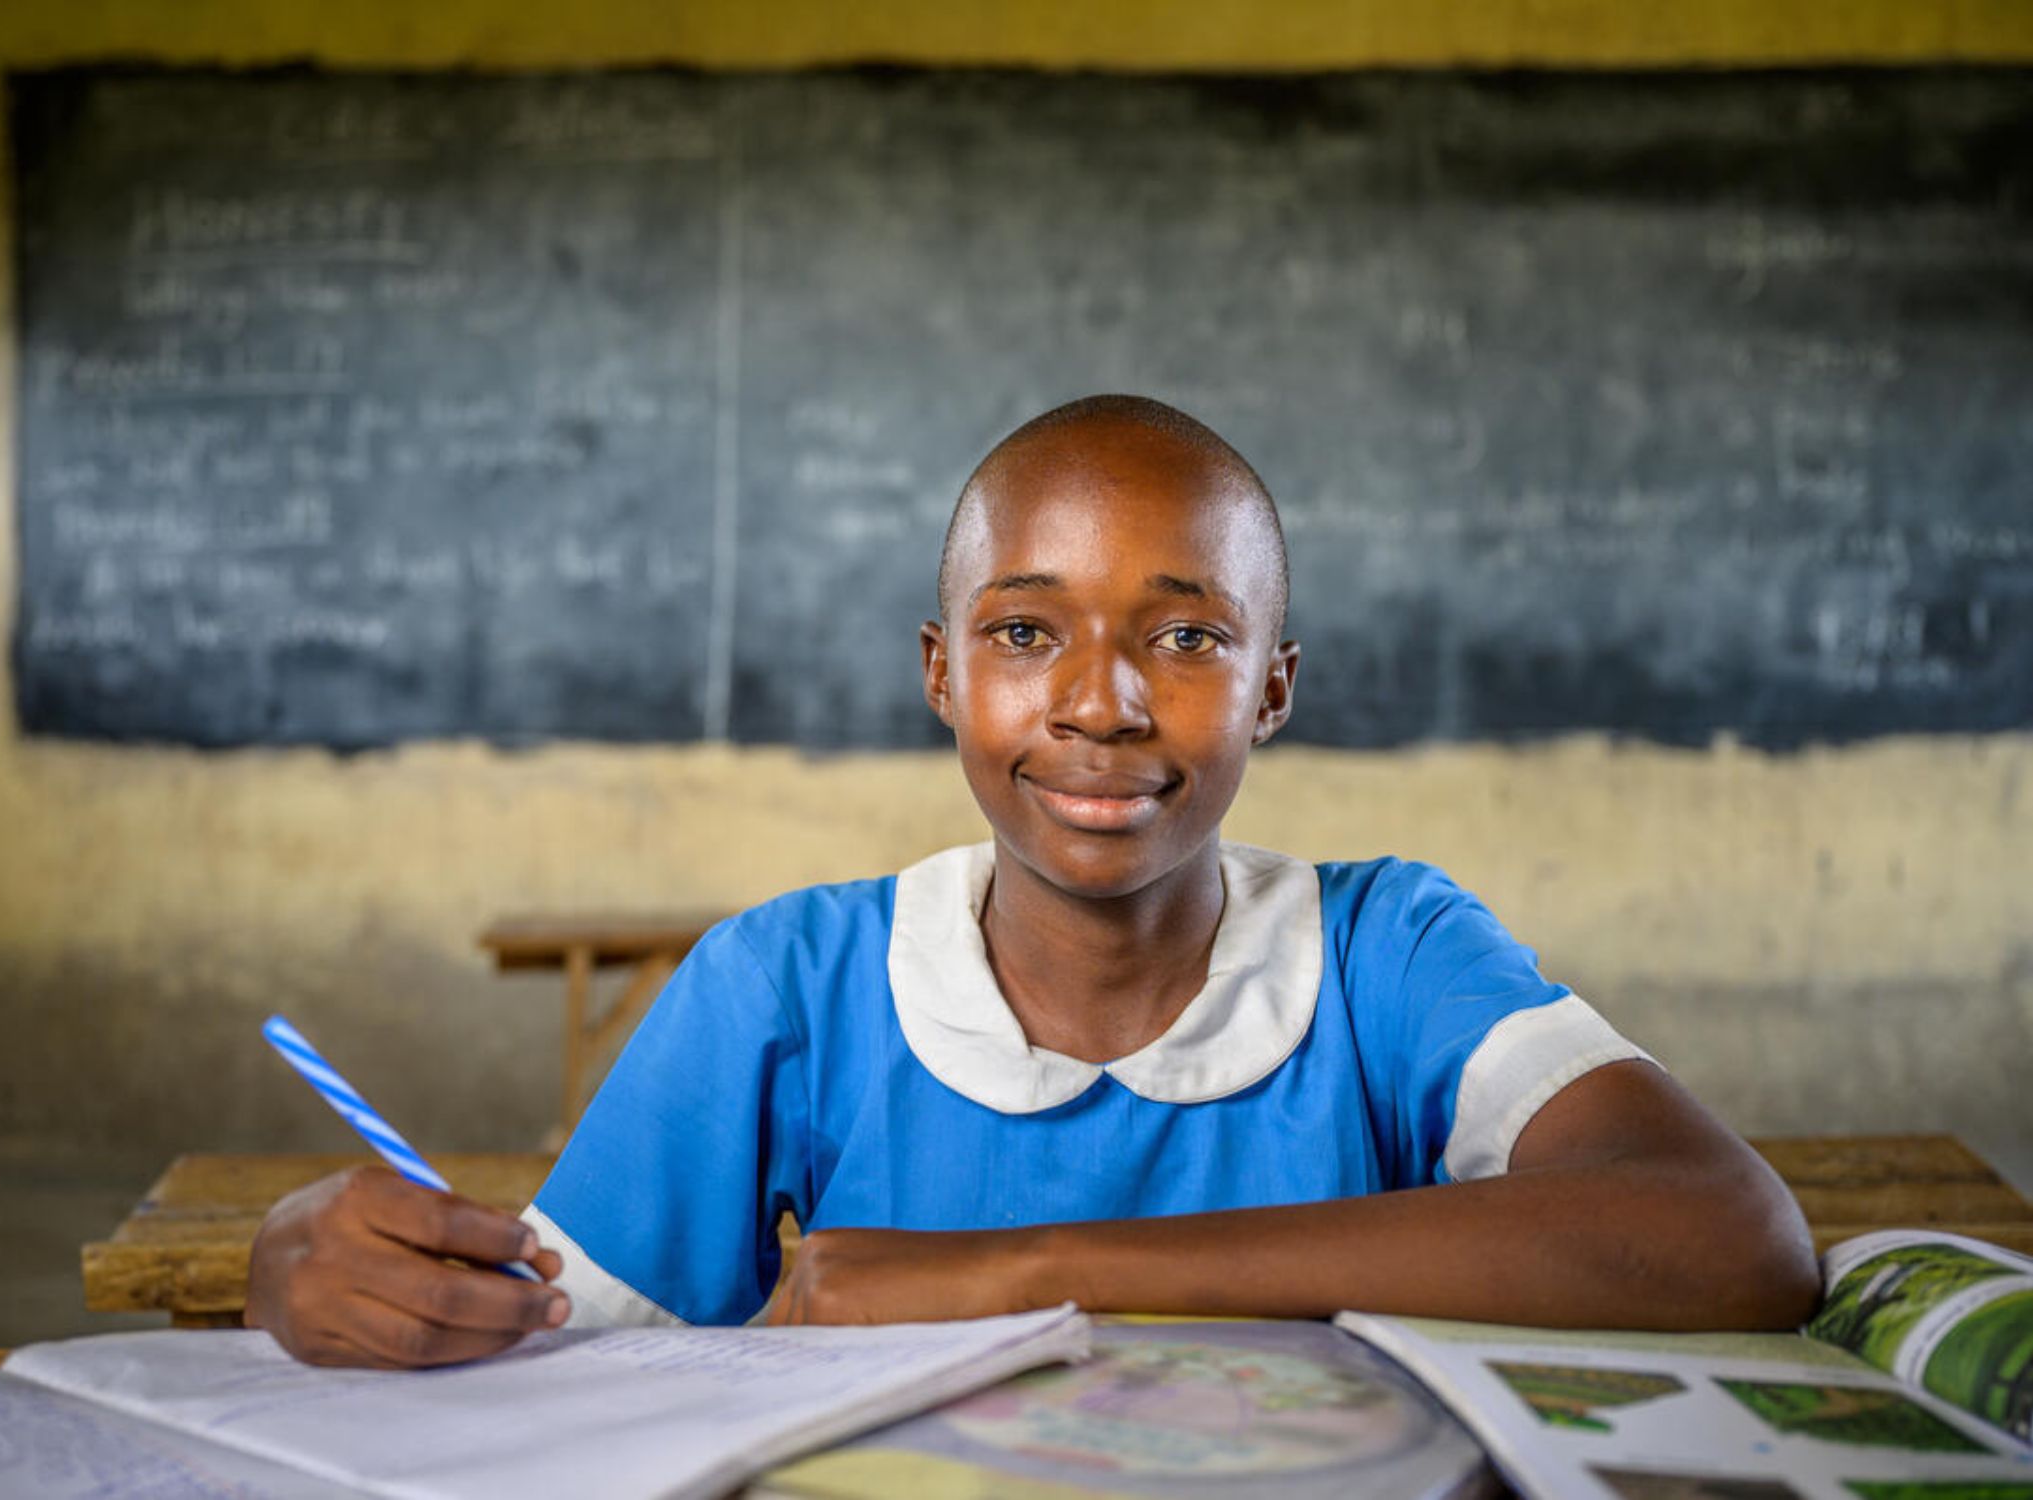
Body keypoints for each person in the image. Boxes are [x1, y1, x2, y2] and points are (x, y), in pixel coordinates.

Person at [246, 395, 1819, 1368]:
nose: (1098, 702)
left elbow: (1729, 1239)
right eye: (1022, 631)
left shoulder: (1387, 951)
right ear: (942, 674)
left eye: (1187, 636)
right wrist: (317, 1282)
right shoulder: (783, 986)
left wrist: (1031, 1272)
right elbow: (545, 1352)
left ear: (1272, 688)